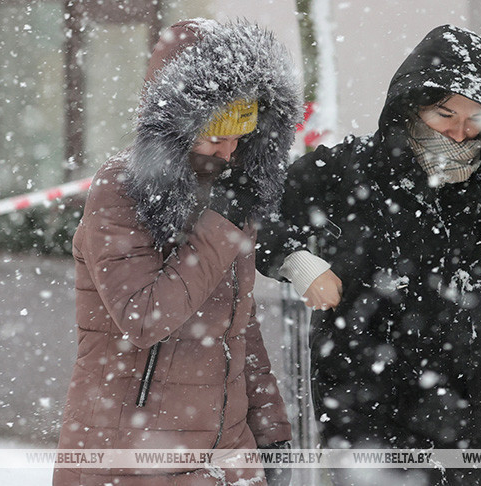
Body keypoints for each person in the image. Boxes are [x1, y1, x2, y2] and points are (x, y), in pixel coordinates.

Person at [258, 24, 481, 485]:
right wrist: (298, 263)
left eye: (475, 121)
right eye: (444, 116)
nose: (460, 134)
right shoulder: (350, 169)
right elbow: (258, 212)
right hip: (358, 391)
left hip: (464, 403)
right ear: (411, 107)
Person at [54, 19, 301, 486]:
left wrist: (271, 431)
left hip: (227, 458)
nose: (228, 154)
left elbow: (238, 324)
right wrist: (222, 223)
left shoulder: (230, 193)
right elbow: (144, 316)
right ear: (175, 126)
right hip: (133, 454)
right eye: (214, 137)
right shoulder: (121, 189)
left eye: (240, 138)